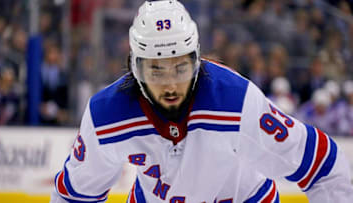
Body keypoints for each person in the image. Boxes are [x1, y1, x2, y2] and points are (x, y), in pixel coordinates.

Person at [50, 1, 353, 202]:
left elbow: (324, 168)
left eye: (180, 67)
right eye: (155, 69)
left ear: (197, 61)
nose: (169, 84)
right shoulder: (106, 115)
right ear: (135, 66)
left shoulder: (236, 101)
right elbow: (74, 196)